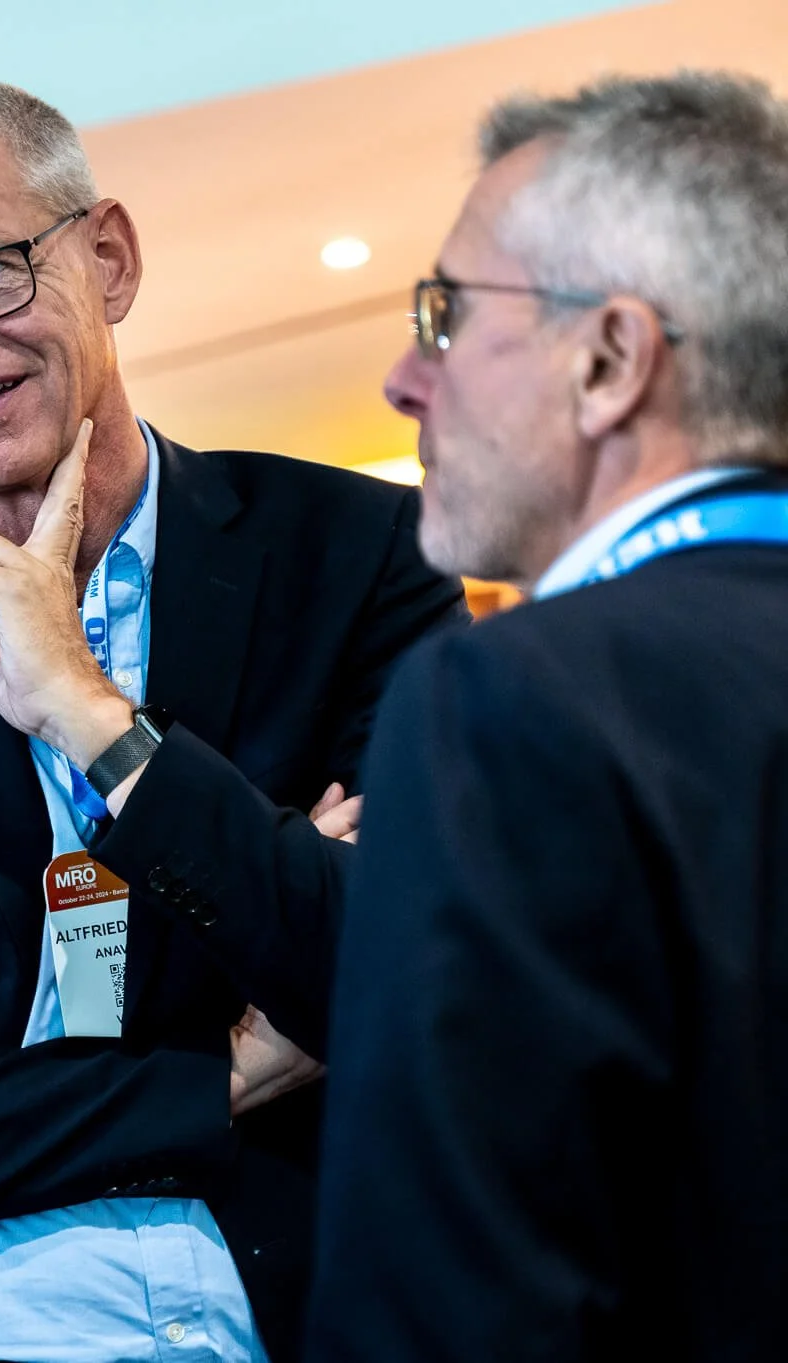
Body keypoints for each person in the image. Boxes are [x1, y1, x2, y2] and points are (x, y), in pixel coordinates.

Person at [0, 82, 467, 1363]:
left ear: (108, 259)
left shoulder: (353, 562)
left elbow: (400, 976)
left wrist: (93, 721)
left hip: (301, 1292)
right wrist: (219, 1076)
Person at [307, 72, 788, 1363]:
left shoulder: (514, 702)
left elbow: (445, 1305)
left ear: (612, 358)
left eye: (445, 313)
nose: (406, 376)